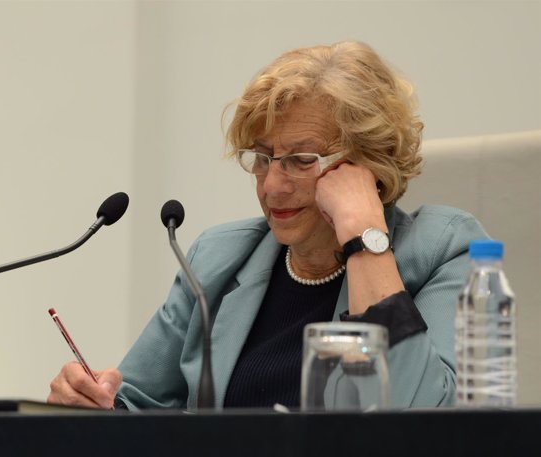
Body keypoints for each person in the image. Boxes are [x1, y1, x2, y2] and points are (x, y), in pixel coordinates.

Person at [47, 40, 488, 411]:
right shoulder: (217, 258)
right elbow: (139, 404)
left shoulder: (444, 251)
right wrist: (90, 406)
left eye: (300, 160)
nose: (272, 185)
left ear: (367, 165)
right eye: (262, 158)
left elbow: (424, 416)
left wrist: (362, 233)